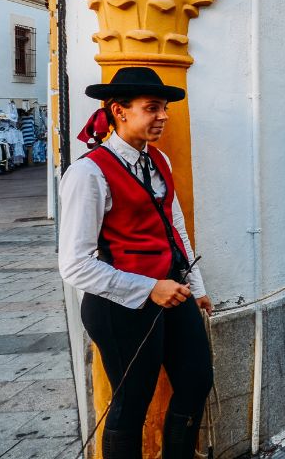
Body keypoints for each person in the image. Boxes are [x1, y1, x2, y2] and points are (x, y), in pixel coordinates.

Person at [58, 67, 212, 459]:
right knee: (131, 404)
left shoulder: (158, 160)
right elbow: (74, 265)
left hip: (172, 292)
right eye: (152, 108)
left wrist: (197, 287)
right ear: (119, 111)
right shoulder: (89, 172)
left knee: (196, 381)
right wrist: (149, 289)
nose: (163, 116)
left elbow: (173, 225)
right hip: (118, 307)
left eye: (163, 108)